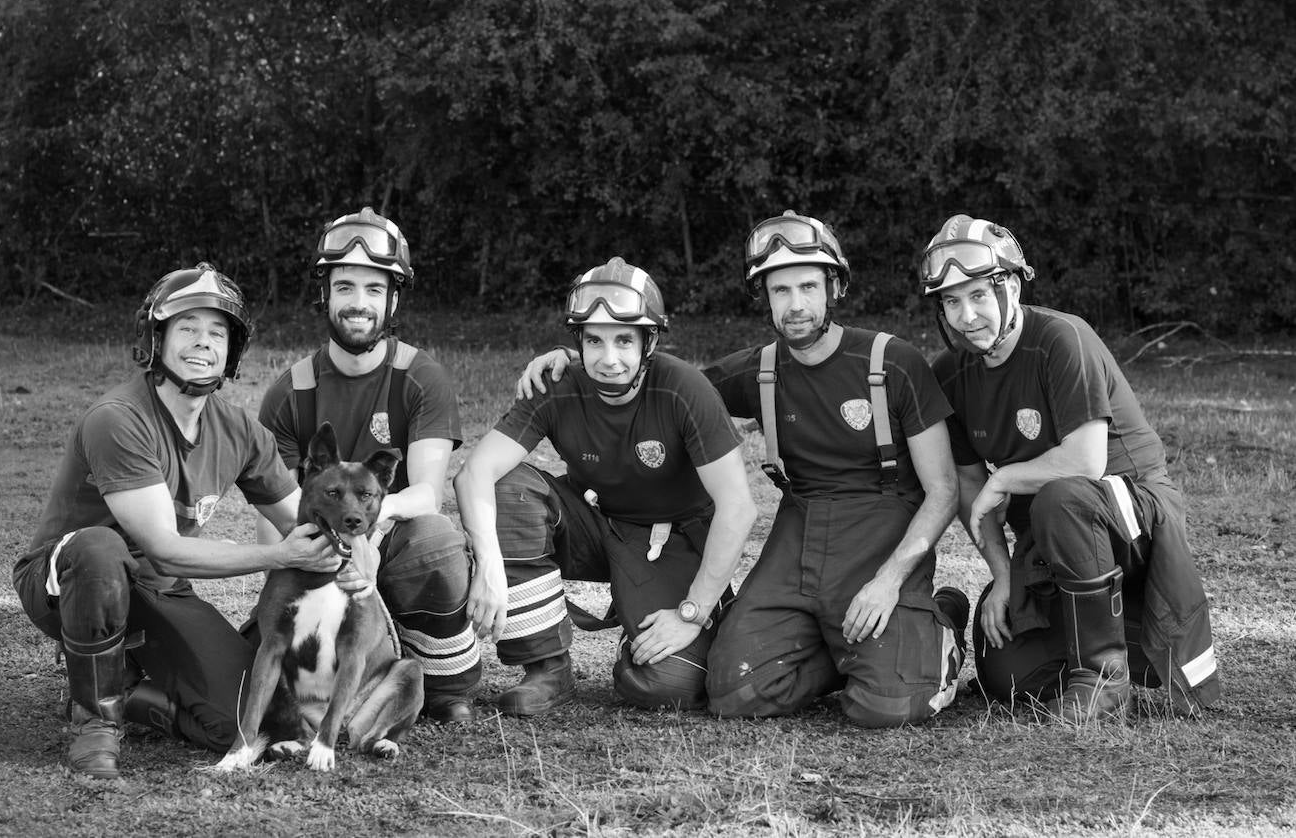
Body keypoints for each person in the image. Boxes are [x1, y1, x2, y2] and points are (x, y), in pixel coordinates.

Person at [519, 212, 969, 726]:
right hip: (799, 530)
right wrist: (571, 359)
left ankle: (944, 623)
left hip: (883, 530)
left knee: (887, 706)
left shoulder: (894, 363)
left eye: (807, 286)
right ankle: (845, 650)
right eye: (780, 290)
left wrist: (890, 580)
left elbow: (943, 491)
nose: (795, 304)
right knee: (736, 691)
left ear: (835, 286)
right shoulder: (759, 370)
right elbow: (650, 380)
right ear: (765, 296)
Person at [12, 262, 357, 779]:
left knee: (251, 721)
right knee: (101, 549)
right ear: (156, 338)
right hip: (67, 580)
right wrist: (279, 556)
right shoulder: (118, 418)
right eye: (188, 328)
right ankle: (94, 724)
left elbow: (303, 520)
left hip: (159, 589)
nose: (204, 342)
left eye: (217, 332)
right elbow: (163, 546)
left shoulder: (239, 429)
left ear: (232, 351)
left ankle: (128, 690)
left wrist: (354, 556)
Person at [919, 213, 1220, 723]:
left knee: (1064, 496)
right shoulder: (950, 373)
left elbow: (1086, 462)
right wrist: (1001, 573)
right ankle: (1126, 642)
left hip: (1132, 513)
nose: (966, 316)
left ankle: (1102, 680)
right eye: (951, 301)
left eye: (977, 295)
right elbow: (970, 484)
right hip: (1057, 538)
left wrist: (1006, 478)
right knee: (1007, 677)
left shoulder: (1062, 337)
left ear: (1011, 286)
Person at [454, 256, 757, 715]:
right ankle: (546, 669)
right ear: (577, 341)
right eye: (593, 340)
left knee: (669, 685)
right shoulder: (557, 382)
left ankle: (645, 628)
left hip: (671, 538)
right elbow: (474, 472)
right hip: (596, 523)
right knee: (509, 488)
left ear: (648, 341)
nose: (608, 358)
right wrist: (490, 566)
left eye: (623, 340)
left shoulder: (683, 388)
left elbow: (738, 509)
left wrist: (691, 612)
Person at [255, 207, 480, 723]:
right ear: (325, 293)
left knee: (437, 538)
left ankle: (446, 685)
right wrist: (274, 594)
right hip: (315, 549)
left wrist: (369, 536)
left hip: (387, 538)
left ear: (393, 298)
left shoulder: (421, 376)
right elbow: (275, 511)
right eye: (346, 287)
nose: (359, 303)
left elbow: (426, 491)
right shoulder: (292, 391)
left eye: (374, 290)